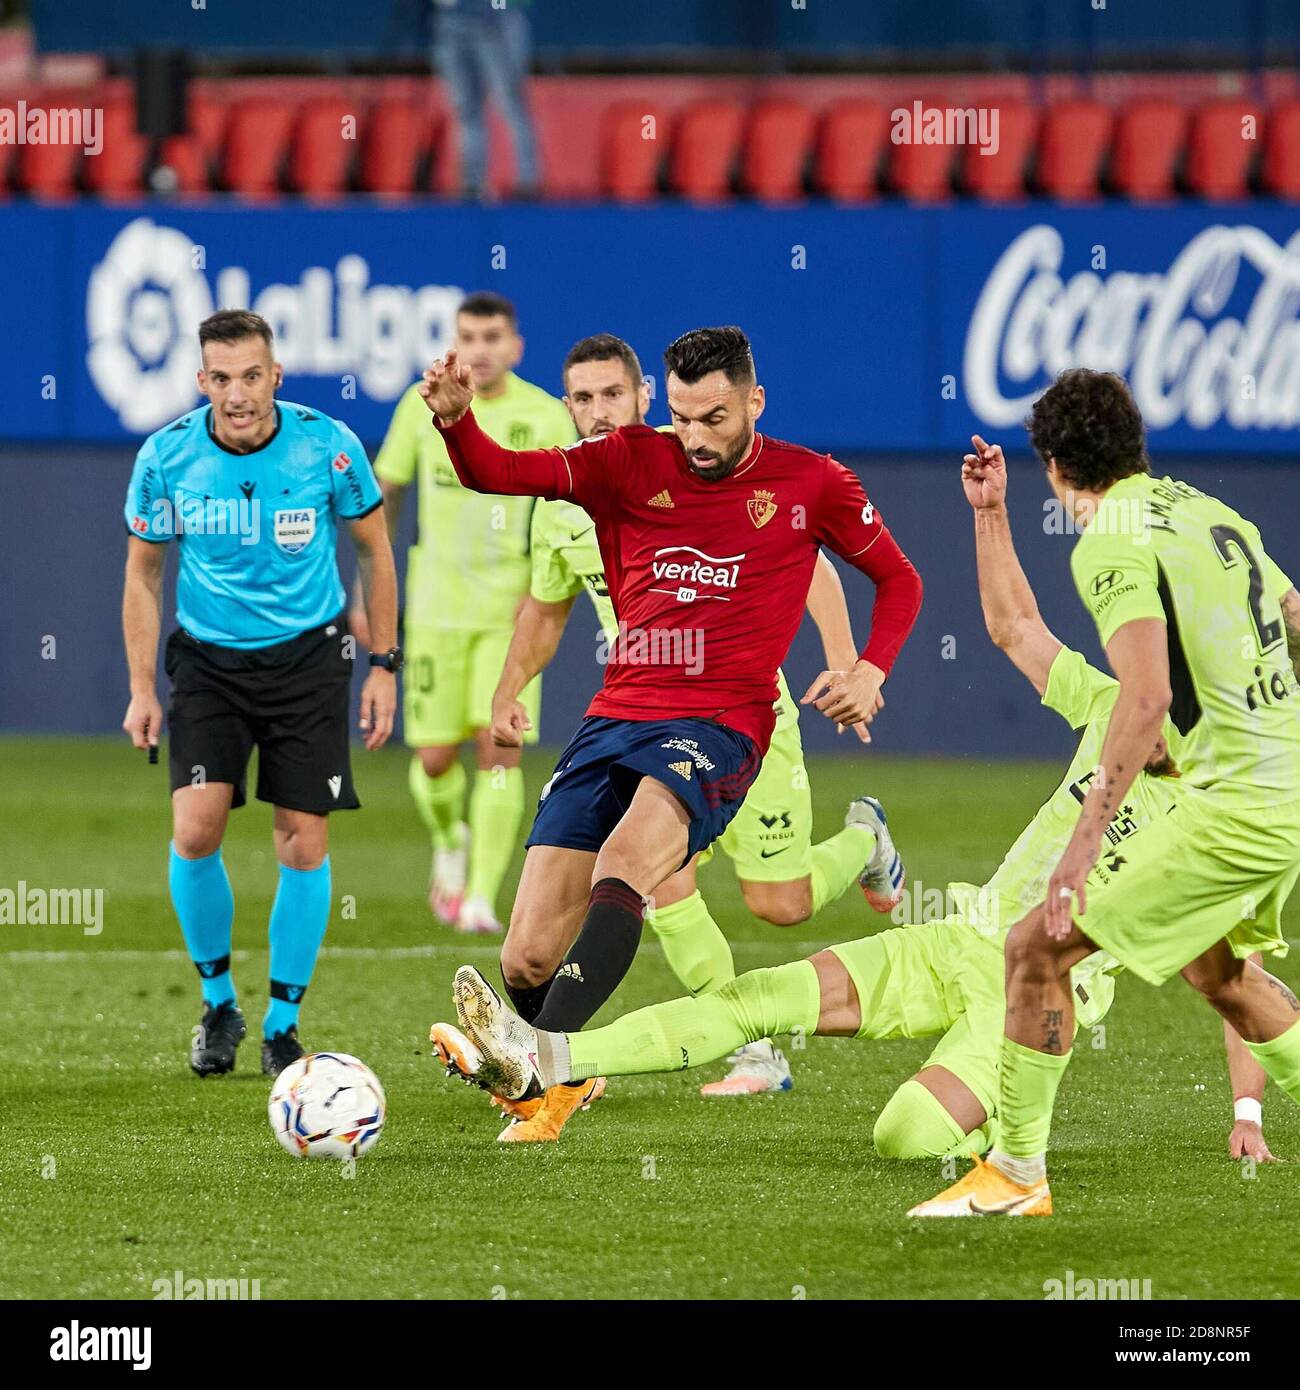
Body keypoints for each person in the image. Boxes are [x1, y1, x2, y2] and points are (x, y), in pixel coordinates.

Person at [429, 430, 1277, 1165]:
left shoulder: (1226, 805)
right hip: (958, 938)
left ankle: (1011, 1156)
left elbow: (1239, 979)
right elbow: (1017, 628)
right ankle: (544, 1055)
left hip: (1034, 997)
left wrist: (1247, 1113)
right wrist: (990, 515)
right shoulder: (1105, 704)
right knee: (756, 994)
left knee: (904, 1135)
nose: (1152, 686)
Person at [419, 322, 924, 1139]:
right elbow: (498, 471)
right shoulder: (628, 459)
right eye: (683, 419)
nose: (693, 439)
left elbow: (898, 577)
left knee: (664, 871)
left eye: (713, 419)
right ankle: (552, 1067)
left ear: (754, 401)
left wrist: (867, 668)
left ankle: (546, 1060)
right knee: (527, 957)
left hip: (723, 720)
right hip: (616, 716)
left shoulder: (811, 482)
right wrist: (454, 421)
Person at [911, 370, 1300, 1217]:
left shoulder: (1110, 540)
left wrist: (1078, 853)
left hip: (1235, 808)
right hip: (1277, 793)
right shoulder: (1208, 512)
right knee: (1220, 972)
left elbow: (1146, 696)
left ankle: (1015, 1176)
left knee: (1034, 950)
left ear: (1054, 467)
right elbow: (1295, 616)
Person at [121, 309, 398, 1078]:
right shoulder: (168, 456)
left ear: (276, 375)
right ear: (200, 380)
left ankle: (282, 1024)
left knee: (302, 839)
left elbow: (375, 552)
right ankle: (219, 1006)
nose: (237, 394)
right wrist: (142, 688)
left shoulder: (328, 446)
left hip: (310, 663)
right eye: (221, 378)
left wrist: (384, 662)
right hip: (208, 662)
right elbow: (143, 577)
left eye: (252, 375)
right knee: (197, 829)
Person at [353, 291, 573, 934]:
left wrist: (545, 595)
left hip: (510, 615)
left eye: (492, 337)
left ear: (515, 347)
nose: (479, 349)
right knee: (433, 761)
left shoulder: (547, 416)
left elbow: (568, 507)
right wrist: (371, 590)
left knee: (499, 749)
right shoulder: (420, 406)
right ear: (454, 342)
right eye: (468, 337)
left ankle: (481, 897)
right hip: (434, 609)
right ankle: (450, 839)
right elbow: (384, 492)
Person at [433, 0, 541, 200]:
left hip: (496, 25)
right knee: (466, 109)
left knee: (511, 104)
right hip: (451, 25)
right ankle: (471, 185)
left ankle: (529, 182)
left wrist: (497, 7)